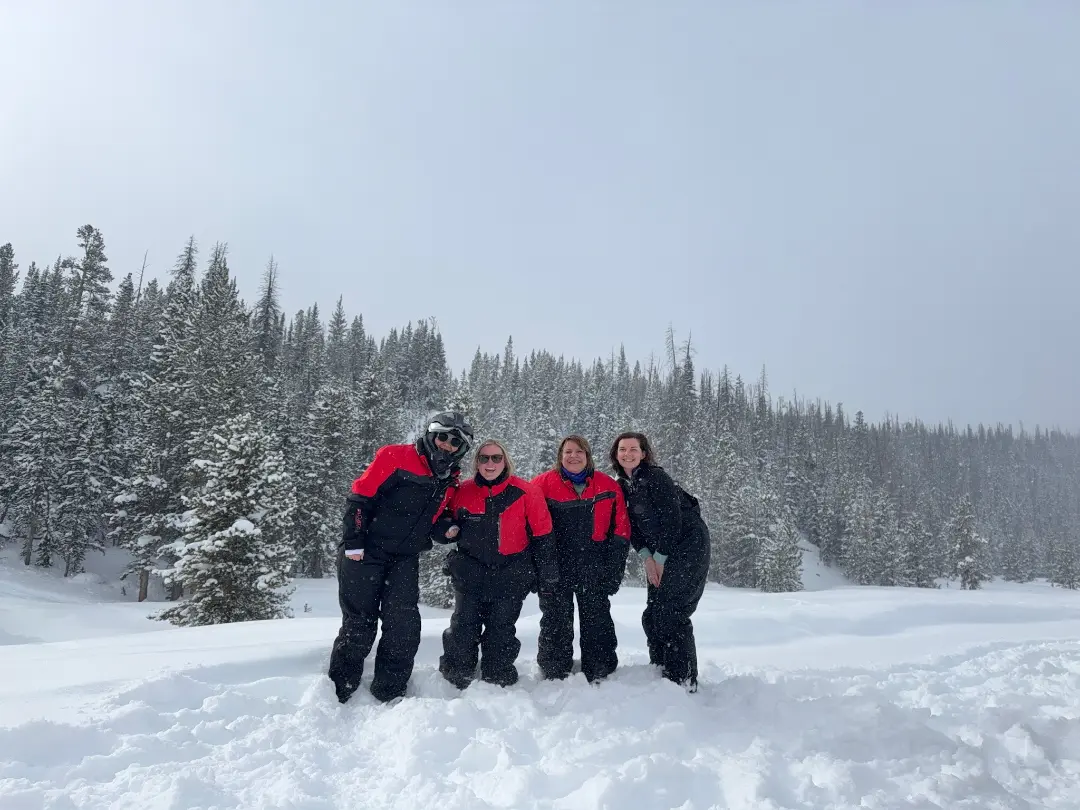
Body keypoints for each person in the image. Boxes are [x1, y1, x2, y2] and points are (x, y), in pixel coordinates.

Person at [328, 411, 474, 704]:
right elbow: (360, 498)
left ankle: (389, 692)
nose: (446, 445)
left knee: (404, 625)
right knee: (359, 623)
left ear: (461, 449)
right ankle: (339, 690)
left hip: (404, 558)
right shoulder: (395, 456)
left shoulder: (450, 480)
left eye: (454, 442)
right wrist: (354, 543)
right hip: (366, 551)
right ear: (432, 435)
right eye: (442, 437)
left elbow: (435, 522)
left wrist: (449, 529)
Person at [435, 440, 556, 689]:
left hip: (511, 574)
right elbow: (440, 522)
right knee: (463, 628)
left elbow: (543, 535)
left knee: (501, 631)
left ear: (506, 461)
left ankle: (498, 677)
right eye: (484, 458)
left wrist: (546, 574)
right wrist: (447, 529)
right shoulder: (461, 491)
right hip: (470, 573)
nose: (490, 464)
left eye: (496, 458)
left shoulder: (526, 491)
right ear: (476, 462)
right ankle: (456, 678)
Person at [610, 431, 710, 691]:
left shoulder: (656, 478)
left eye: (633, 449)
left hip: (688, 547)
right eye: (623, 449)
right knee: (654, 613)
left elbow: (673, 521)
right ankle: (661, 669)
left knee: (671, 612)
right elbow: (631, 527)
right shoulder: (623, 485)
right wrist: (647, 558)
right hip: (658, 553)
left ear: (644, 454)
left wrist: (661, 559)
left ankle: (683, 681)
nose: (627, 454)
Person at [531, 435, 631, 682]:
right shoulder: (541, 485)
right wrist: (538, 569)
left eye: (579, 452)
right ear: (560, 456)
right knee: (555, 621)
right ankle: (554, 669)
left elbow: (621, 531)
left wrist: (615, 569)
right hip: (556, 566)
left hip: (594, 566)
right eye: (568, 452)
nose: (573, 456)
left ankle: (600, 669)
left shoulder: (608, 486)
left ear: (588, 456)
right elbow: (528, 528)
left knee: (597, 619)